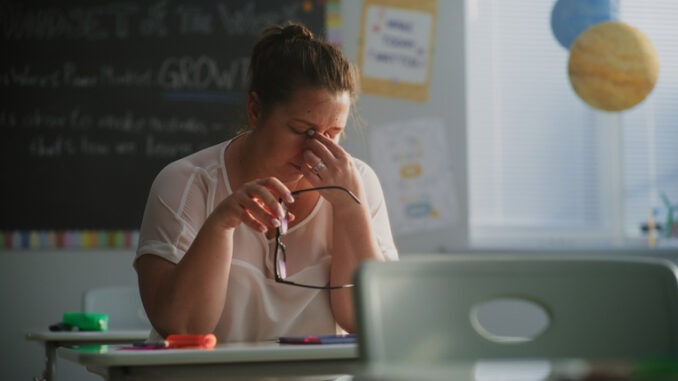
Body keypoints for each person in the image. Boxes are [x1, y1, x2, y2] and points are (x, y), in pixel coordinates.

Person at [135, 22, 398, 342]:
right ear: (256, 110)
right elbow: (183, 326)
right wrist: (221, 223)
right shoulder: (186, 183)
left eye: (333, 133)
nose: (317, 149)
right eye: (303, 131)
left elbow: (368, 320)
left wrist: (349, 208)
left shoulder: (359, 182)